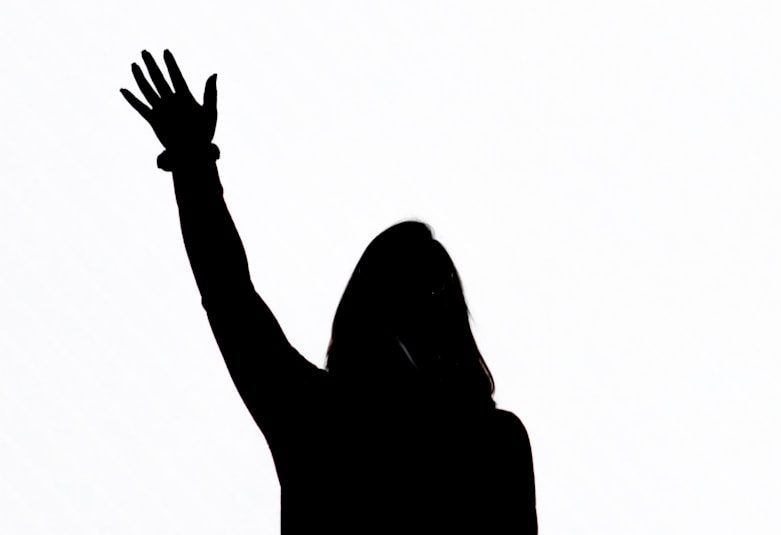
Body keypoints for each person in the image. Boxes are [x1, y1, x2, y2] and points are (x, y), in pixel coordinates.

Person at [121, 49, 538, 534]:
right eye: (413, 299)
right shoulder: (486, 441)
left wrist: (193, 162)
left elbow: (229, 296)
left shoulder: (316, 418)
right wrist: (193, 164)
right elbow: (229, 297)